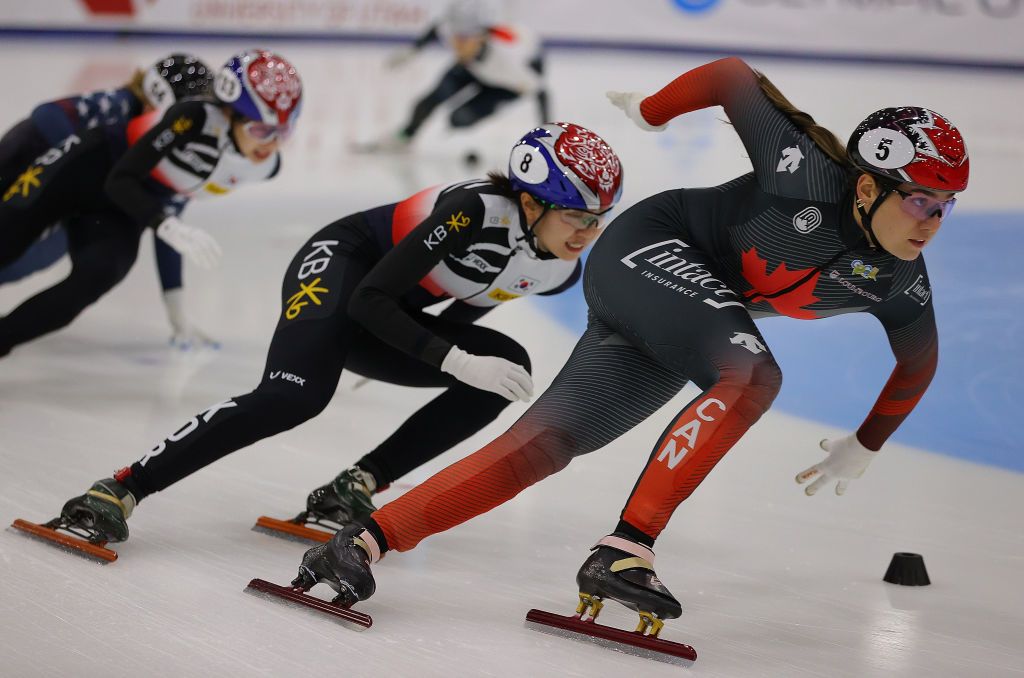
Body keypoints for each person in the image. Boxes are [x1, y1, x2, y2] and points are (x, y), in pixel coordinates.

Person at [290, 57, 968, 635]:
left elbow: (919, 362)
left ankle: (362, 541)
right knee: (753, 375)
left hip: (687, 308)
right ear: (869, 185)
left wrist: (866, 444)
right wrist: (651, 111)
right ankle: (626, 549)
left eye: (947, 205)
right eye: (921, 201)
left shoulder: (900, 281)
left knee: (548, 443)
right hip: (653, 248)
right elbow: (732, 78)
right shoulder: (808, 174)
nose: (933, 222)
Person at [46, 122, 624, 549]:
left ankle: (357, 484)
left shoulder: (555, 270)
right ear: (529, 201)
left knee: (507, 367)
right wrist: (451, 360)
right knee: (294, 395)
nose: (587, 233)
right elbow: (368, 298)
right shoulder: (472, 210)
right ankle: (122, 487)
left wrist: (425, 348)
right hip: (342, 268)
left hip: (388, 308)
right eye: (576, 217)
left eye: (598, 219)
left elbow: (467, 305)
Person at [0, 49, 302, 357]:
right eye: (262, 130)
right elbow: (123, 180)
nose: (272, 144)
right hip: (86, 167)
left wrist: (176, 308)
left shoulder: (265, 167)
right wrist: (163, 223)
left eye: (284, 131)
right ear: (229, 112)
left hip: (122, 205)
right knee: (7, 243)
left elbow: (170, 210)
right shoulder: (192, 118)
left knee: (101, 273)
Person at [0, 54, 217, 348]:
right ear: (152, 104)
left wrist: (175, 309)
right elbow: (46, 115)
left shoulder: (177, 151)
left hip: (84, 201)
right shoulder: (118, 106)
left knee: (32, 261)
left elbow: (169, 224)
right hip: (31, 159)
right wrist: (57, 172)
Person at [359, 0, 548, 152]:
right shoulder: (463, 42)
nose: (457, 45)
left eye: (463, 39)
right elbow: (438, 28)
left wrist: (547, 136)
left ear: (481, 37)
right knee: (433, 98)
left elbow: (541, 92)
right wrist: (414, 50)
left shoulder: (509, 61)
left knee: (459, 119)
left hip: (506, 84)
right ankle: (405, 136)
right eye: (454, 38)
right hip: (473, 66)